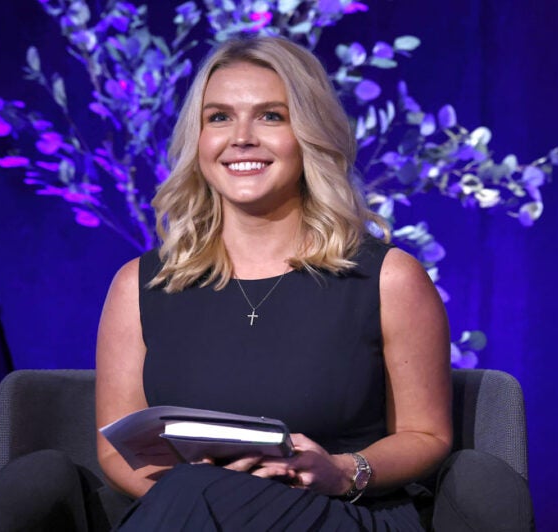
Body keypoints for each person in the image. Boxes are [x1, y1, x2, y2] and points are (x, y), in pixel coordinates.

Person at [94, 35, 453, 530]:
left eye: (271, 116)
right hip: (182, 514)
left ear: (309, 135)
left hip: (337, 512)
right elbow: (116, 452)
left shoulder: (389, 277)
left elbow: (426, 435)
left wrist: (342, 471)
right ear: (197, 140)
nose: (241, 137)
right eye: (218, 117)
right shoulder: (139, 284)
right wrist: (209, 501)